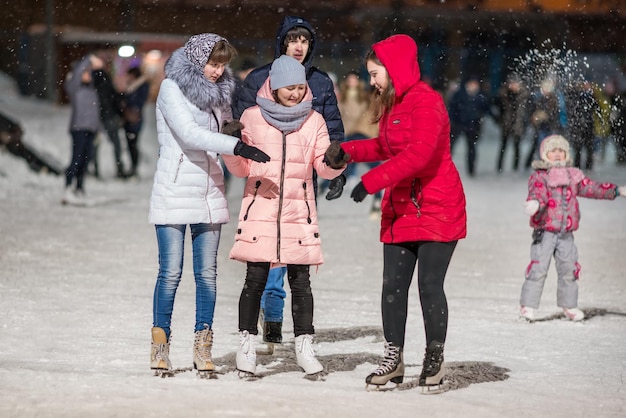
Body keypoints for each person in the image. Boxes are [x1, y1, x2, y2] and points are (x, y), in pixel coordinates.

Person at [336, 34, 466, 391]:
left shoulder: (428, 102)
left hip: (437, 205)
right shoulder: (393, 102)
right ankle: (393, 359)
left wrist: (372, 181)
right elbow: (385, 145)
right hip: (402, 207)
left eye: (376, 73)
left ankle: (434, 358)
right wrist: (347, 152)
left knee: (428, 285)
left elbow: (419, 155)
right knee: (392, 286)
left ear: (394, 70)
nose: (371, 81)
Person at [148, 33, 270, 378]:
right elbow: (190, 136)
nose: (218, 71)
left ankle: (203, 346)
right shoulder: (172, 89)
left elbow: (223, 139)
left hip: (210, 190)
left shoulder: (221, 96)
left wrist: (238, 139)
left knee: (208, 276)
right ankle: (160, 344)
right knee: (170, 273)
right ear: (197, 59)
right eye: (213, 63)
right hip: (174, 190)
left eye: (223, 65)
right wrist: (236, 146)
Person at [222, 55, 346, 377]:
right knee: (255, 281)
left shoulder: (314, 120)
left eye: (300, 87)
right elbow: (240, 170)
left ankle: (304, 345)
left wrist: (334, 161)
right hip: (261, 208)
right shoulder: (251, 117)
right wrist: (231, 147)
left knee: (301, 283)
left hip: (298, 212)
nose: (295, 93)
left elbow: (323, 167)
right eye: (289, 88)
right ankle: (246, 345)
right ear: (274, 88)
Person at [519, 134, 624, 323]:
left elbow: (592, 188)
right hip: (545, 232)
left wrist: (615, 191)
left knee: (569, 268)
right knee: (538, 268)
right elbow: (538, 193)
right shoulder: (540, 176)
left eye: (561, 150)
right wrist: (534, 203)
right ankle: (528, 306)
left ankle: (569, 305)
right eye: (553, 151)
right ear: (545, 154)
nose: (557, 154)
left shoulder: (573, 176)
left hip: (566, 234)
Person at [336, 70, 382, 218]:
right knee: (345, 168)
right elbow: (340, 118)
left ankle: (376, 200)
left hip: (363, 136)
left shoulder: (366, 98)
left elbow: (374, 118)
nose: (352, 83)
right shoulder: (341, 99)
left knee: (371, 168)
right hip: (348, 137)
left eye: (354, 79)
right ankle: (322, 191)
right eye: (349, 80)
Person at [62, 54, 103, 205]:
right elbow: (79, 71)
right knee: (76, 159)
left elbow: (95, 112)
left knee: (86, 160)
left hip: (91, 130)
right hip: (78, 128)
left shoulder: (92, 91)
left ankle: (79, 188)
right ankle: (67, 188)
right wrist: (90, 59)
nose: (88, 74)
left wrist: (99, 130)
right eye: (86, 72)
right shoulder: (75, 88)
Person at [448, 75, 492, 177]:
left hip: (472, 125)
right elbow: (452, 108)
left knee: (471, 148)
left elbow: (486, 108)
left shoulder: (480, 96)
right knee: (450, 146)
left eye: (475, 84)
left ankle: (471, 169)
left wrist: (482, 116)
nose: (473, 85)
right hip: (458, 124)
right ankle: (445, 167)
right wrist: (453, 120)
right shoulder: (459, 94)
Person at [91, 63, 126, 178]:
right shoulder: (107, 82)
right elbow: (114, 99)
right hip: (109, 116)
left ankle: (95, 169)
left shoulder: (93, 84)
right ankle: (119, 168)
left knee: (95, 145)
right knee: (115, 144)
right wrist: (119, 113)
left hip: (97, 117)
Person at [495, 72, 531, 173]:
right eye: (511, 83)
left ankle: (515, 168)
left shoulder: (525, 96)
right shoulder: (503, 95)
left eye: (515, 83)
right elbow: (498, 110)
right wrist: (500, 120)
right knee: (503, 146)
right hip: (506, 124)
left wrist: (525, 123)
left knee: (517, 147)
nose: (513, 85)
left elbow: (527, 111)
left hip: (518, 124)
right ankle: (499, 167)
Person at [120, 66, 150, 179]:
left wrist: (129, 102)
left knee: (133, 144)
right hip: (129, 119)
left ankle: (134, 168)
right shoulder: (131, 87)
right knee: (130, 144)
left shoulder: (140, 86)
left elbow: (138, 102)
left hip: (135, 119)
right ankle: (133, 167)